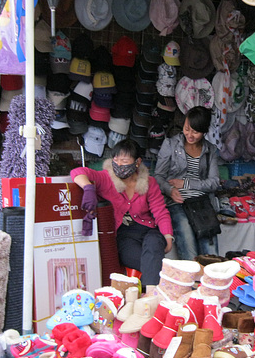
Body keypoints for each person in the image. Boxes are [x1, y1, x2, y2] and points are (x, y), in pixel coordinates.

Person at [71, 139, 172, 287]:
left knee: (155, 243)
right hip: (124, 236)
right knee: (151, 262)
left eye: (124, 161)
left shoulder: (149, 182)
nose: (118, 164)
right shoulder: (106, 178)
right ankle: (152, 294)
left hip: (148, 230)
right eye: (115, 160)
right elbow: (77, 172)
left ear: (137, 162)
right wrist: (88, 188)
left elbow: (160, 212)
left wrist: (168, 238)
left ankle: (147, 295)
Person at [155, 106, 220, 260]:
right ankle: (192, 282)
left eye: (195, 132)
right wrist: (170, 190)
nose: (190, 135)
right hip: (176, 201)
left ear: (204, 131)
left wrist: (185, 184)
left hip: (201, 203)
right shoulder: (170, 144)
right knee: (187, 239)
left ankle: (212, 281)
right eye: (187, 129)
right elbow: (158, 176)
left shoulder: (210, 150)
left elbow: (214, 182)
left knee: (210, 253)